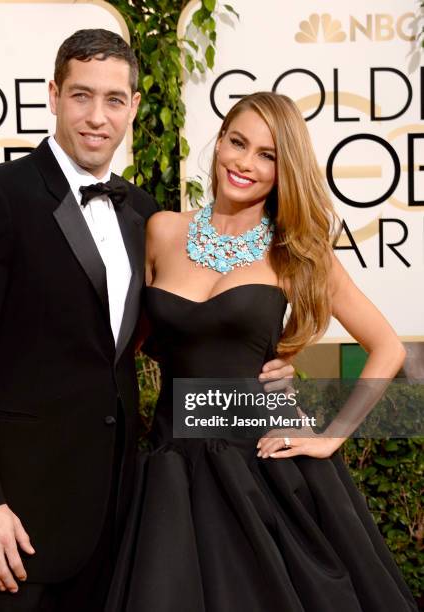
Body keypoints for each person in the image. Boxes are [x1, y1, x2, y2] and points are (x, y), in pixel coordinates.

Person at [0, 31, 292, 611]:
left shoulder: (142, 213)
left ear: (134, 107)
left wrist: (263, 377)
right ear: (54, 95)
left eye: (114, 99)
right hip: (14, 522)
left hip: (121, 516)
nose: (97, 117)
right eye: (81, 96)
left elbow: (170, 340)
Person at [104, 92, 418, 611]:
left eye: (267, 155)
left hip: (265, 459)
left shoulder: (294, 251)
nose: (245, 163)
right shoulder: (162, 230)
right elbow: (135, 341)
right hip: (174, 459)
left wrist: (330, 437)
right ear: (221, 140)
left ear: (284, 168)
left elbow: (386, 348)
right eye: (237, 142)